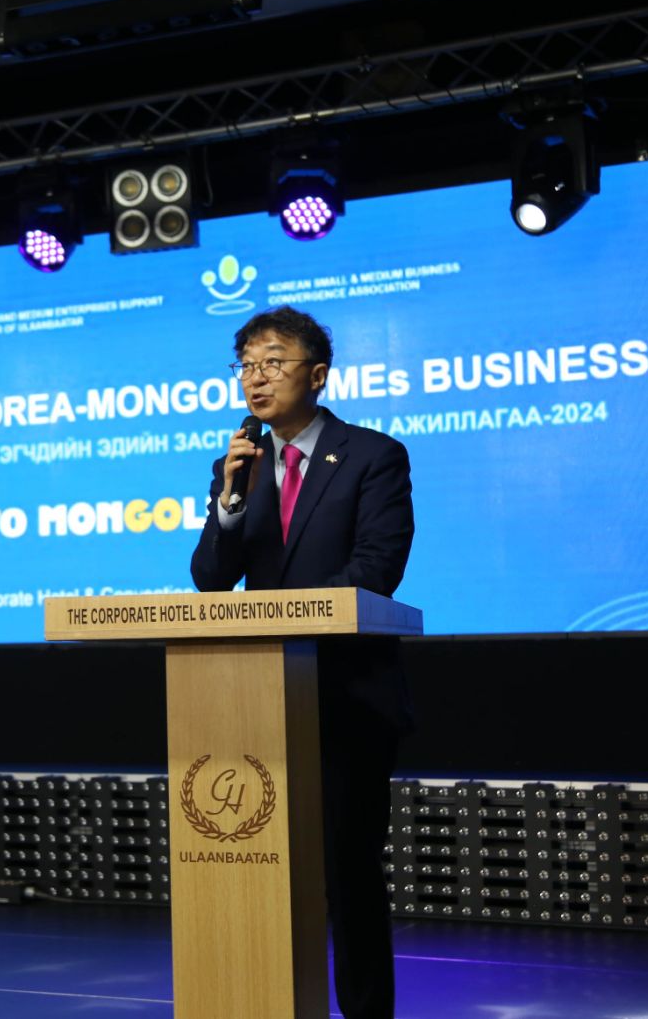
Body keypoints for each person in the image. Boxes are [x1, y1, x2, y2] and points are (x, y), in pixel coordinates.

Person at [189, 306, 414, 1019]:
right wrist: (230, 500)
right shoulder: (239, 466)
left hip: (346, 695)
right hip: (258, 702)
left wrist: (291, 619)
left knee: (348, 874)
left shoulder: (373, 456)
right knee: (260, 869)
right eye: (247, 365)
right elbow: (210, 578)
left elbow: (376, 569)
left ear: (317, 375)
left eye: (274, 362)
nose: (257, 378)